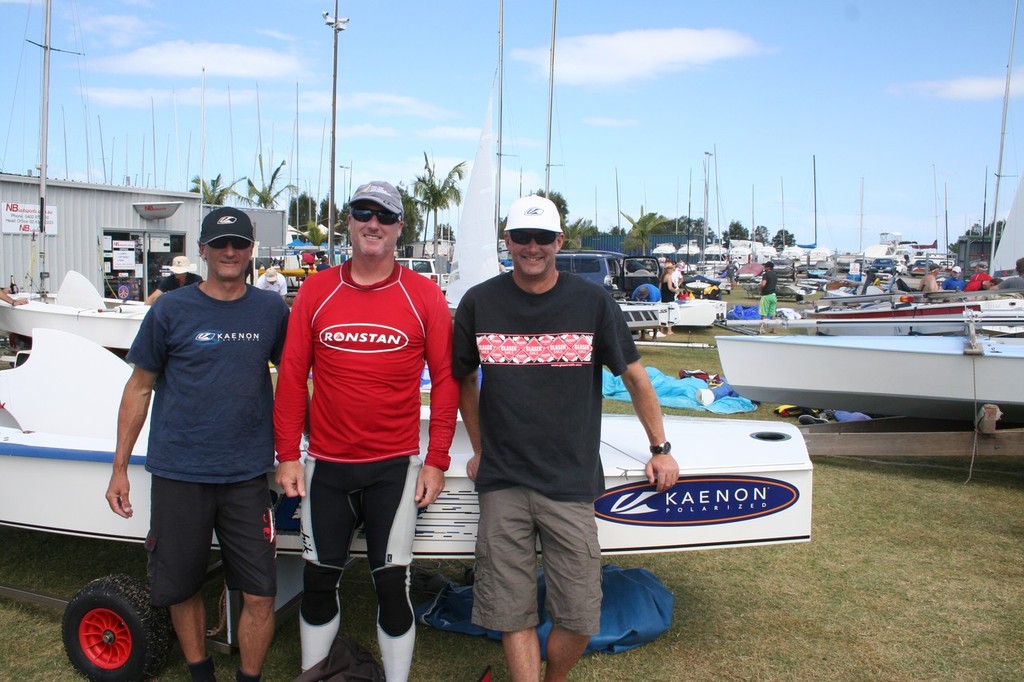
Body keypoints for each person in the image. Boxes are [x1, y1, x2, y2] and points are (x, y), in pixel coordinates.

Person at [451, 194, 679, 682]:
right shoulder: (479, 302)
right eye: (520, 237)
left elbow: (637, 378)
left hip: (570, 481)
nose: (531, 247)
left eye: (542, 238)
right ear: (507, 241)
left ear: (560, 241)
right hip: (504, 480)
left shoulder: (592, 302)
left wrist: (661, 449)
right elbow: (464, 380)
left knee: (579, 614)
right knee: (511, 609)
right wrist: (481, 447)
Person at [273, 181, 458, 680]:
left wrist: (437, 460)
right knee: (317, 582)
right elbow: (292, 376)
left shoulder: (423, 295)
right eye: (363, 212)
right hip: (326, 466)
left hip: (393, 469)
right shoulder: (316, 289)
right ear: (349, 222)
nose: (372, 223)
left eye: (385, 215)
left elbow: (445, 380)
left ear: (400, 227)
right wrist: (288, 454)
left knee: (392, 587)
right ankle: (315, 676)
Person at [105, 206, 289, 682]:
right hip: (179, 471)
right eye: (220, 244)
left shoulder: (271, 310)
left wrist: (294, 452)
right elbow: (139, 387)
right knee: (181, 586)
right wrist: (119, 467)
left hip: (247, 474)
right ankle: (200, 673)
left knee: (261, 593)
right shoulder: (171, 308)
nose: (230, 252)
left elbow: (294, 382)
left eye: (240, 244)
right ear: (203, 250)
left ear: (252, 251)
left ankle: (249, 677)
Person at [659, 263, 679, 336]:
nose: (672, 270)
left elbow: (660, 288)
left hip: (663, 296)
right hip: (669, 297)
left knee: (663, 313)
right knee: (670, 313)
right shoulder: (669, 277)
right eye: (671, 269)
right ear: (668, 270)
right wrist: (676, 290)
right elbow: (670, 287)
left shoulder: (662, 276)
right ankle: (669, 330)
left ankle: (661, 329)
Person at [758, 261, 778, 332]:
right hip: (773, 295)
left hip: (766, 296)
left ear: (768, 267)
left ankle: (762, 329)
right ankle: (773, 329)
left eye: (765, 266)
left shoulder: (766, 274)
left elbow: (763, 284)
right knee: (773, 314)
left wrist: (759, 288)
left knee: (764, 313)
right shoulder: (775, 274)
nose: (764, 268)